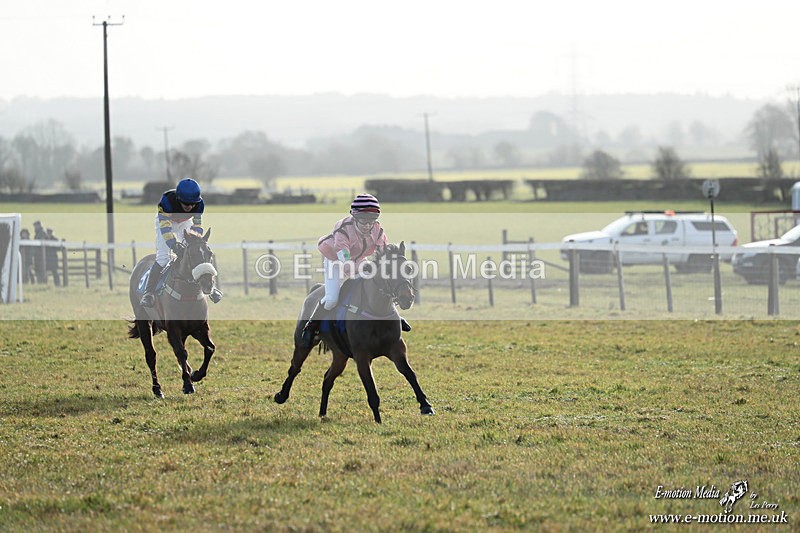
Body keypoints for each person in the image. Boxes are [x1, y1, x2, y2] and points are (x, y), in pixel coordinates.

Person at [301, 193, 409, 347]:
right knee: (331, 299)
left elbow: (383, 254)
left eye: (371, 222)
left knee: (379, 284)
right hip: (336, 261)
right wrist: (365, 267)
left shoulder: (377, 230)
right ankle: (311, 326)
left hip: (358, 259)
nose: (367, 226)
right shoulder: (343, 230)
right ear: (355, 217)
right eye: (364, 221)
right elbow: (345, 262)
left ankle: (393, 317)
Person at [139, 178, 222, 307]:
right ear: (178, 199)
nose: (189, 207)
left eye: (192, 204)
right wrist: (174, 245)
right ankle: (148, 293)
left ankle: (211, 287)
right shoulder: (166, 202)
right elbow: (166, 229)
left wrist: (195, 242)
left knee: (196, 252)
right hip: (166, 222)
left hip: (184, 222)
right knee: (163, 258)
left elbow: (197, 226)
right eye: (186, 204)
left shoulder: (199, 205)